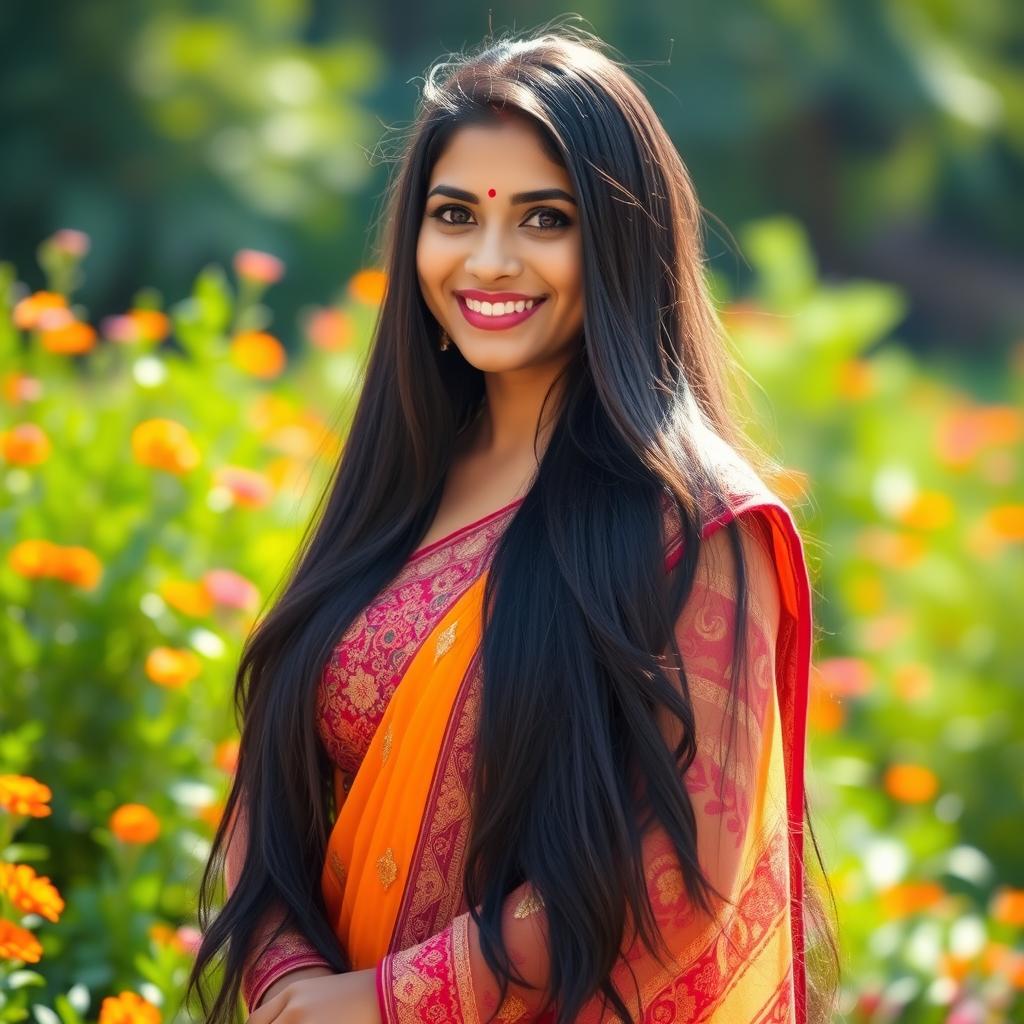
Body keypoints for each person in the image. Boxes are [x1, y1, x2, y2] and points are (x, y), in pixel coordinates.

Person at [186, 21, 840, 1024]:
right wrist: (287, 988)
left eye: (544, 220)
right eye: (455, 215)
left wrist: (389, 1002)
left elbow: (678, 866)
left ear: (622, 239)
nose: (489, 261)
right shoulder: (397, 487)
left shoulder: (691, 524)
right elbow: (276, 792)